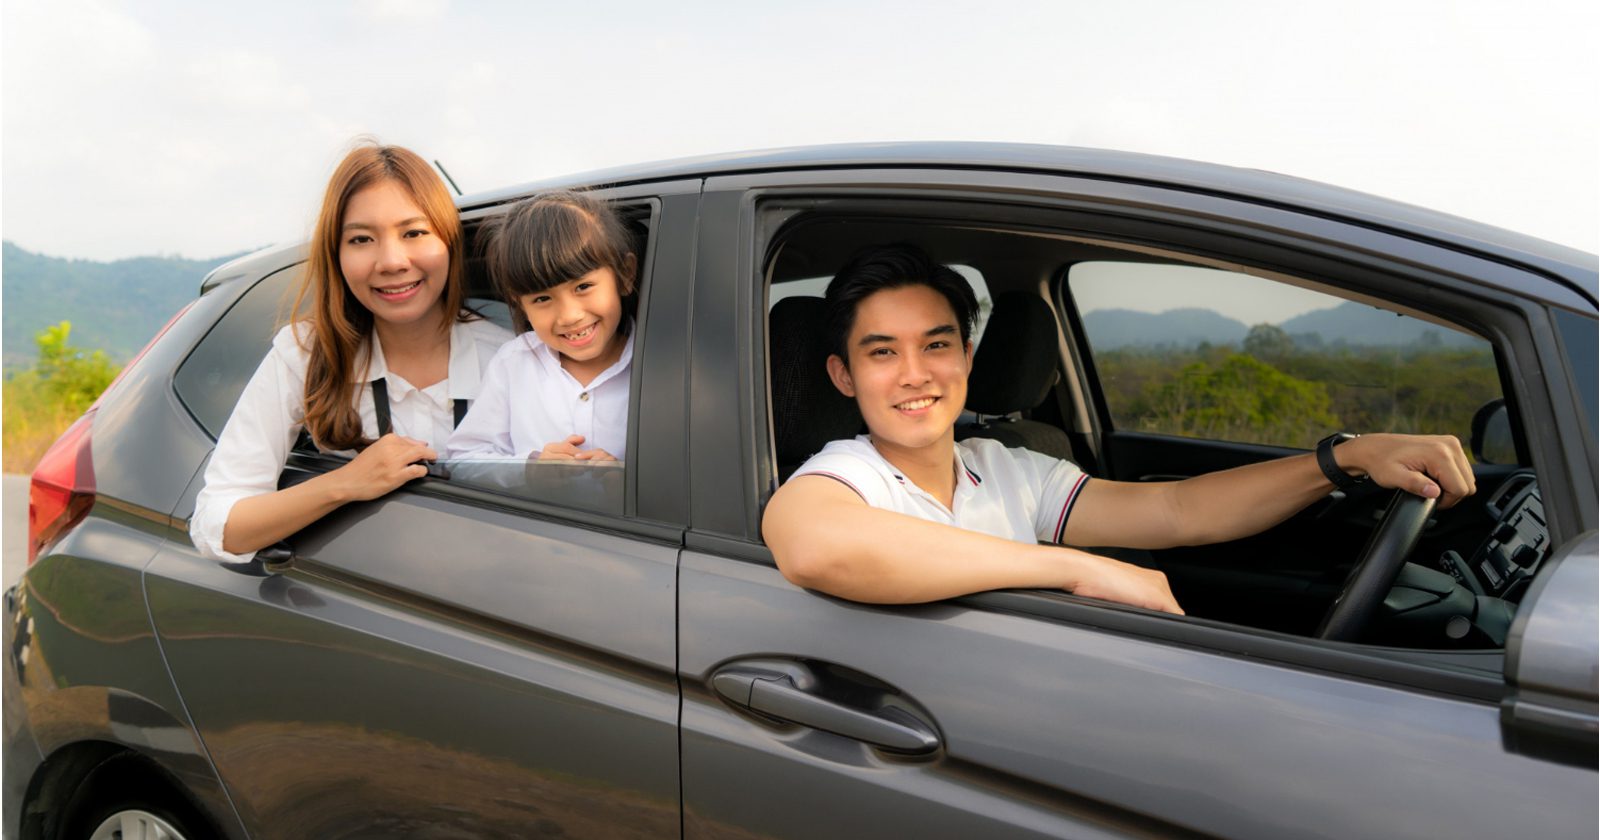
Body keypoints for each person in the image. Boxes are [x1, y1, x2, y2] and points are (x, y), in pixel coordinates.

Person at [761, 243, 1476, 613]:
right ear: (843, 376)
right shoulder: (846, 474)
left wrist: (1344, 457)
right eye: (882, 352)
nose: (915, 373)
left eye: (936, 345)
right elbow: (816, 546)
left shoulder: (1005, 466)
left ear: (968, 358)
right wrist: (1078, 566)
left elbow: (1177, 509)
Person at [190, 143, 512, 562]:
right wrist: (345, 483)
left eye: (414, 233)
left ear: (449, 241)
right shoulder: (306, 356)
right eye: (361, 239)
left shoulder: (511, 360)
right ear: (336, 255)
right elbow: (217, 525)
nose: (392, 261)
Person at [446, 190, 637, 462]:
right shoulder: (513, 363)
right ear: (520, 304)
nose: (569, 316)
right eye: (542, 299)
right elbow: (464, 458)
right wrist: (530, 466)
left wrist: (625, 479)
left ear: (625, 275)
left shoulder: (664, 365)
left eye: (583, 287)